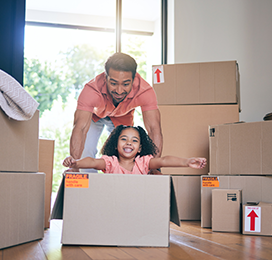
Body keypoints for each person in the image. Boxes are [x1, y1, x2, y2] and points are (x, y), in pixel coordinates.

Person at [68, 52, 163, 172]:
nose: (119, 90)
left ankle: (117, 183)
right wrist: (74, 166)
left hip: (122, 116)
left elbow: (154, 129)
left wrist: (154, 167)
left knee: (125, 153)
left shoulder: (145, 91)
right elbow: (79, 129)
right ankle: (88, 184)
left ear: (134, 79)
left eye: (125, 84)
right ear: (105, 77)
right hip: (94, 116)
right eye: (113, 83)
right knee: (86, 150)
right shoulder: (91, 91)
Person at [63, 125, 206, 174]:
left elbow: (163, 160)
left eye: (134, 140)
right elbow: (93, 162)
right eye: (124, 139)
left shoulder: (143, 163)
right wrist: (76, 163)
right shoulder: (110, 162)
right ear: (115, 144)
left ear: (139, 149)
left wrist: (187, 162)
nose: (129, 143)